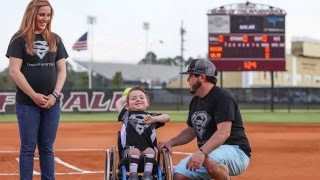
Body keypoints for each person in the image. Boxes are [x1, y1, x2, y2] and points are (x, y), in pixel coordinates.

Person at [158, 59, 251, 180]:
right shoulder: (195, 101)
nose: (187, 80)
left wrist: (202, 152)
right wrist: (171, 142)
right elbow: (191, 131)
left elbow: (224, 132)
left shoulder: (222, 97)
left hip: (236, 151)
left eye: (190, 76)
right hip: (210, 153)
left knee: (209, 161)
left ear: (201, 77)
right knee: (179, 175)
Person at [6, 0, 68, 179]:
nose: (45, 19)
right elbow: (14, 70)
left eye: (48, 15)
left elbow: (62, 70)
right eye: (42, 14)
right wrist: (33, 95)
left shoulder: (55, 39)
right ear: (31, 14)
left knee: (47, 148)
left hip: (52, 103)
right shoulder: (19, 39)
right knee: (28, 148)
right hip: (27, 103)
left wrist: (55, 94)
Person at [115, 87, 170, 180]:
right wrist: (129, 95)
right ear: (127, 105)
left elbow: (167, 117)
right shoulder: (126, 115)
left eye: (141, 97)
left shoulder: (151, 116)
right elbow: (118, 103)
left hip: (147, 151)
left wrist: (154, 119)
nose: (138, 99)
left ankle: (147, 175)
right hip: (129, 151)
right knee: (135, 151)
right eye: (133, 98)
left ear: (147, 103)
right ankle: (133, 176)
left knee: (150, 151)